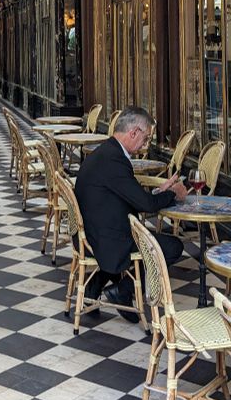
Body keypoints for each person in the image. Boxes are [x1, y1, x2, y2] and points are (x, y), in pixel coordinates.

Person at [74, 106, 188, 321]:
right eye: (145, 139)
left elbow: (130, 194)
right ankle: (122, 291)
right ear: (134, 132)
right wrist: (173, 194)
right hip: (105, 238)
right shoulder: (115, 160)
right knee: (173, 246)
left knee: (143, 238)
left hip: (94, 230)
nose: (145, 145)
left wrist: (159, 192)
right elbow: (146, 205)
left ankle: (94, 288)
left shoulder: (107, 151)